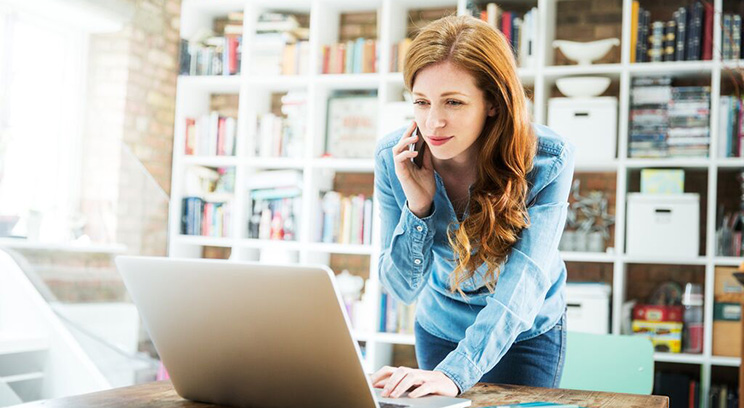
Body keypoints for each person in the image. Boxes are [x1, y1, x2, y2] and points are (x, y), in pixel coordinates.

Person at [370, 15, 575, 399]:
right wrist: (419, 206)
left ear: (493, 103)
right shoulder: (393, 158)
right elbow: (401, 287)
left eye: (454, 102)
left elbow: (525, 281)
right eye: (421, 102)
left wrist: (458, 371)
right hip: (440, 326)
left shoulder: (548, 159)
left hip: (526, 331)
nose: (433, 122)